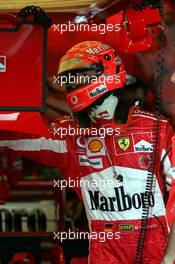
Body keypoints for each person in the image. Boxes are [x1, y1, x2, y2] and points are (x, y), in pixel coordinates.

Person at [0, 41, 174, 264]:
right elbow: (20, 137)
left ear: (107, 70)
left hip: (158, 248)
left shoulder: (155, 129)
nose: (74, 84)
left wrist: (169, 257)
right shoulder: (71, 135)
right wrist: (26, 49)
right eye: (70, 80)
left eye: (80, 77)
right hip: (105, 249)